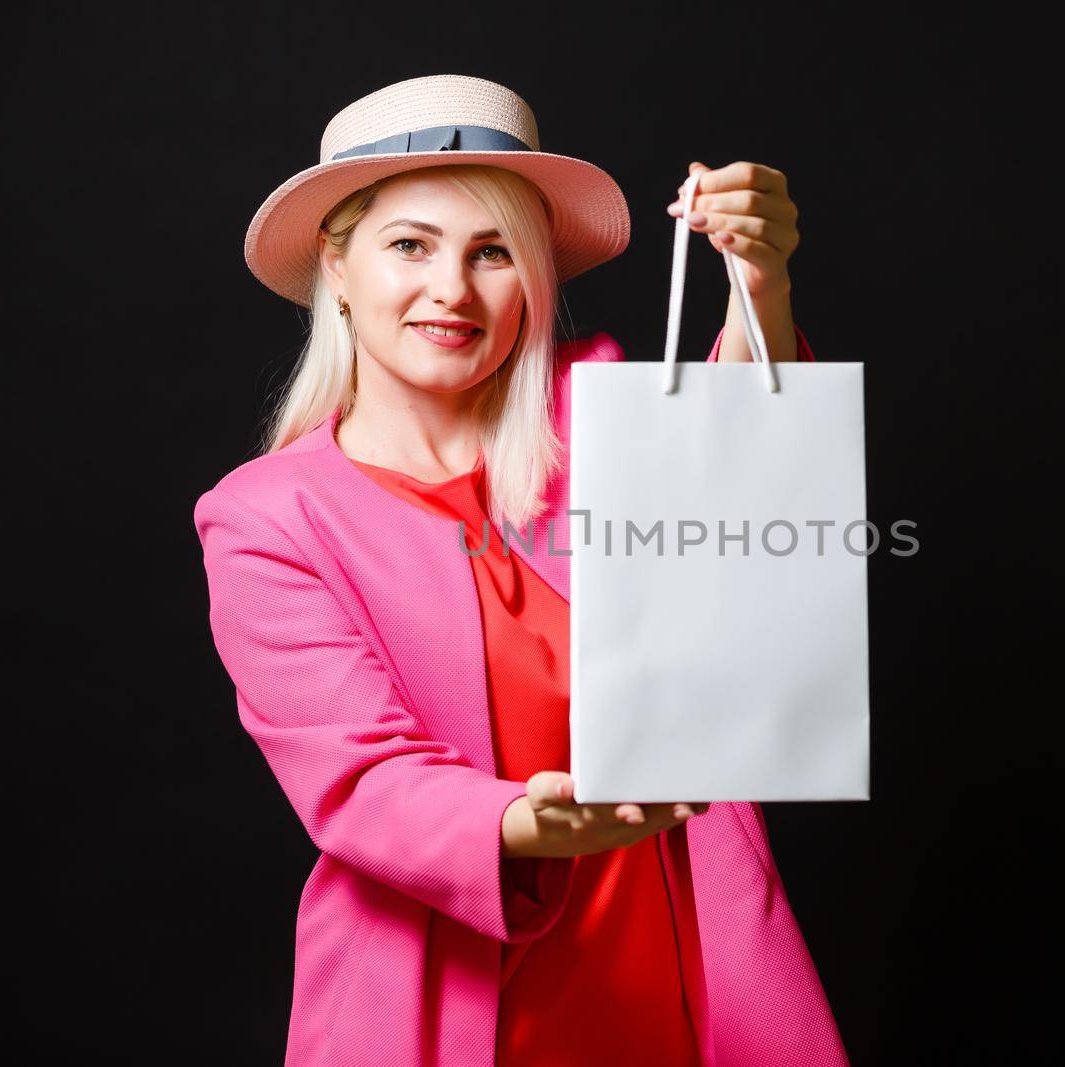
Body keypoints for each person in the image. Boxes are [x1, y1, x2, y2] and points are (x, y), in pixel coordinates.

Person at [193, 74, 845, 1066]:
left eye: (492, 251)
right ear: (338, 264)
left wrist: (761, 285)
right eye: (409, 243)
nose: (452, 289)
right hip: (435, 991)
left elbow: (757, 492)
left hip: (676, 968)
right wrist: (512, 820)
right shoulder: (266, 515)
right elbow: (357, 775)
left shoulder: (603, 412)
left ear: (534, 275)